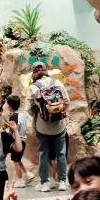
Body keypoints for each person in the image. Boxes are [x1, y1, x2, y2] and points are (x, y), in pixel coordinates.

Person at [26, 61, 69, 192]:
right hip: (59, 126)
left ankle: (45, 183)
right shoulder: (57, 83)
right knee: (61, 153)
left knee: (43, 154)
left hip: (42, 126)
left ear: (34, 72)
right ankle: (62, 181)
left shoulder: (33, 87)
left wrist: (39, 112)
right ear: (46, 70)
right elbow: (66, 102)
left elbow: (28, 109)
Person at [6, 95, 33, 188]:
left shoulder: (13, 116)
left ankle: (20, 180)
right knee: (17, 159)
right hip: (23, 140)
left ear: (10, 106)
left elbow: (12, 130)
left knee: (16, 162)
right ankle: (28, 173)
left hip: (17, 141)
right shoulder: (22, 115)